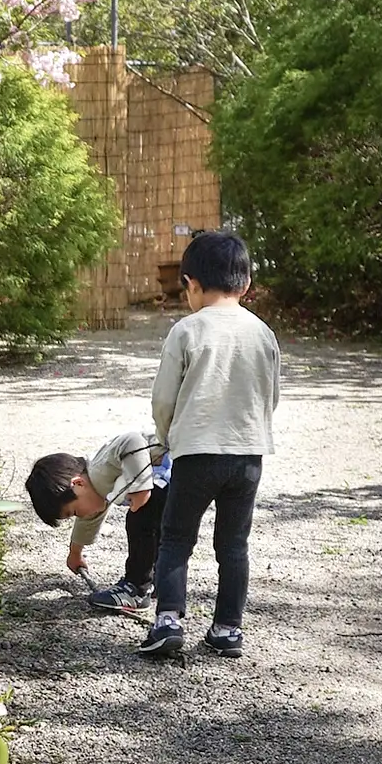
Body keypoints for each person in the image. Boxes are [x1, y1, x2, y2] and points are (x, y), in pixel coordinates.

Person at [139, 228, 280, 662]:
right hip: (248, 454)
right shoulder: (263, 333)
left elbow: (164, 398)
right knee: (233, 545)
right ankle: (227, 628)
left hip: (197, 453)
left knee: (177, 537)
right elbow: (270, 394)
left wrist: (163, 440)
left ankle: (168, 621)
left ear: (191, 285)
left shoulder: (187, 331)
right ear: (246, 284)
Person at [24, 429, 168, 614]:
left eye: (74, 511)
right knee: (164, 531)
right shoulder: (92, 486)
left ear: (78, 484)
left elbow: (132, 440)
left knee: (140, 521)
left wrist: (141, 487)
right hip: (178, 478)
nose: (81, 515)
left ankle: (136, 588)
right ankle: (161, 580)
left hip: (173, 466)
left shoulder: (101, 469)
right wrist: (75, 552)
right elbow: (89, 517)